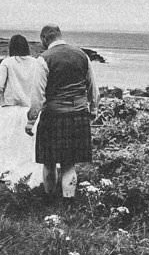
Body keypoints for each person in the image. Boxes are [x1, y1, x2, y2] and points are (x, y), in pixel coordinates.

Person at [25, 24, 98, 199]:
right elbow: (92, 88)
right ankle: (68, 202)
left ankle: (49, 200)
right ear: (59, 35)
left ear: (44, 39)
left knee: (49, 162)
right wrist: (93, 109)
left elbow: (37, 95)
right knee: (69, 164)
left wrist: (31, 120)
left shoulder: (44, 59)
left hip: (53, 116)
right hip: (79, 115)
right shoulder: (82, 55)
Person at [0, 34, 45, 189]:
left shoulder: (7, 62)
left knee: (7, 146)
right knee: (27, 148)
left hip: (9, 111)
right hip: (30, 111)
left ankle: (8, 174)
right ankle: (27, 179)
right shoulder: (36, 63)